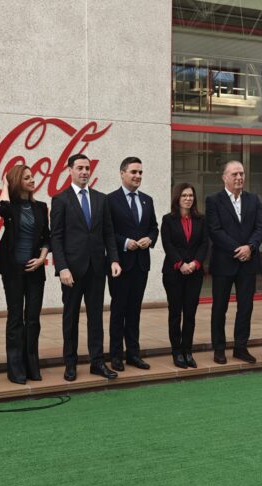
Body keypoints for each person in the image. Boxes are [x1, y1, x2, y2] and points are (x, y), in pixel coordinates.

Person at [50, 153, 121, 381]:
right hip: (71, 270)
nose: (84, 172)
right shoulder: (60, 200)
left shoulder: (101, 199)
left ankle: (97, 362)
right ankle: (70, 363)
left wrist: (114, 259)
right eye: (79, 167)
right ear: (69, 170)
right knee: (70, 317)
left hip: (97, 269)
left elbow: (108, 233)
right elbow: (56, 238)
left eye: (87, 168)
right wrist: (62, 268)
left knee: (96, 317)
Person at [0, 165, 50, 384]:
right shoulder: (10, 207)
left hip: (35, 269)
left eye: (32, 176)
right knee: (15, 318)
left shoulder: (41, 207)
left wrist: (42, 258)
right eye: (27, 177)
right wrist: (5, 183)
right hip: (13, 270)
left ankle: (32, 366)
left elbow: (46, 237)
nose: (33, 180)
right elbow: (2, 207)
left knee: (33, 319)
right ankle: (16, 370)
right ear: (17, 182)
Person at [206, 160, 262, 365]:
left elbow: (260, 228)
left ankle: (241, 347)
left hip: (248, 262)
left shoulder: (253, 199)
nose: (239, 178)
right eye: (234, 174)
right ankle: (219, 348)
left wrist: (250, 247)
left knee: (246, 307)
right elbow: (215, 230)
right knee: (219, 307)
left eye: (241, 174)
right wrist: (237, 249)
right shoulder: (213, 200)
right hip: (224, 262)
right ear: (224, 177)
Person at [106, 157, 158, 371]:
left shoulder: (147, 199)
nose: (138, 176)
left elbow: (154, 227)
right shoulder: (110, 200)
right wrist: (126, 243)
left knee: (134, 311)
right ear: (122, 173)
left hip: (141, 264)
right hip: (119, 264)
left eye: (140, 173)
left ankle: (133, 354)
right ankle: (116, 355)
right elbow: (107, 232)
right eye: (134, 172)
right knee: (119, 310)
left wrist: (150, 239)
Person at [160, 183, 208, 368]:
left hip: (194, 274)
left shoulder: (201, 220)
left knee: (190, 314)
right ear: (177, 198)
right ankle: (177, 351)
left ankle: (188, 351)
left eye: (190, 195)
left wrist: (196, 264)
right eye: (184, 195)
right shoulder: (168, 219)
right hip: (174, 273)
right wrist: (180, 264)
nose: (188, 198)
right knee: (175, 313)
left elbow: (205, 244)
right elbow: (168, 244)